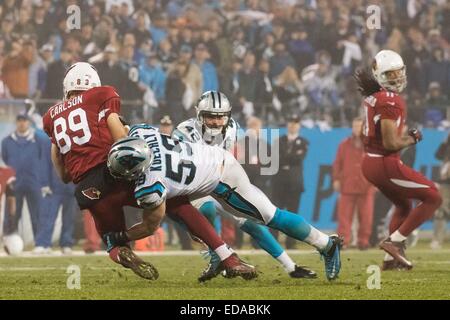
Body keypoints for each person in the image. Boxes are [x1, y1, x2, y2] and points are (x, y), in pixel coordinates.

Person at [42, 62, 254, 281]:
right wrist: (129, 156)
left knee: (111, 239)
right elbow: (117, 131)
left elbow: (62, 169)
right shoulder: (101, 94)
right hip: (115, 172)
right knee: (179, 203)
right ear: (94, 82)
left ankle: (122, 251)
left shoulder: (51, 116)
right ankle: (228, 258)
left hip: (88, 188)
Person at [108, 127, 343, 281]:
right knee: (208, 214)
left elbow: (150, 226)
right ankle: (219, 257)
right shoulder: (143, 132)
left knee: (271, 217)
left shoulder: (150, 184)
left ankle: (326, 244)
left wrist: (121, 236)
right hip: (207, 169)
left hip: (221, 179)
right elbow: (125, 127)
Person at [173, 91, 317, 279]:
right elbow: (179, 168)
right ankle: (219, 255)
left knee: (252, 222)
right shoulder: (183, 132)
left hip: (218, 182)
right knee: (206, 210)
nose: (216, 122)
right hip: (194, 186)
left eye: (220, 117)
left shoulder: (232, 128)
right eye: (210, 116)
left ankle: (291, 266)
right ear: (199, 114)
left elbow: (223, 162)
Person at [355, 50, 442, 270]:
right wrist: (412, 139)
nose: (396, 77)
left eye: (398, 72)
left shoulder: (373, 97)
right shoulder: (390, 100)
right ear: (380, 76)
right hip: (384, 163)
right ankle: (394, 242)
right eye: (390, 74)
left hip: (371, 162)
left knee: (404, 205)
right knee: (434, 197)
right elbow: (391, 143)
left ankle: (389, 261)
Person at [2, 114, 48, 238]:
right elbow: (5, 159)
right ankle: (9, 242)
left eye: (24, 121)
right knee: (12, 214)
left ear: (28, 123)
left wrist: (43, 182)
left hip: (34, 182)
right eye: (19, 121)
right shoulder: (7, 141)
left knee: (37, 214)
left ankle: (39, 243)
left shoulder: (38, 140)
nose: (22, 123)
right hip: (14, 184)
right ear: (16, 123)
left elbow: (42, 159)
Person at [333, 117, 374, 250]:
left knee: (366, 216)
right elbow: (337, 163)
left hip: (366, 185)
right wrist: (336, 179)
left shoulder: (371, 145)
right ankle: (343, 241)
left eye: (359, 126)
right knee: (344, 216)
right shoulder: (344, 144)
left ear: (364, 128)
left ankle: (363, 241)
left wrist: (375, 182)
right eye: (354, 126)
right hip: (347, 185)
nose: (356, 129)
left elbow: (377, 164)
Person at [273, 114, 309, 249]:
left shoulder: (303, 142)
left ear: (299, 125)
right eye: (290, 122)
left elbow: (298, 159)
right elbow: (276, 158)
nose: (293, 125)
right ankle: (274, 240)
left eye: (295, 122)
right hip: (279, 182)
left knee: (293, 213)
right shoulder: (279, 140)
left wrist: (285, 157)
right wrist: (291, 157)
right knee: (275, 213)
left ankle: (291, 242)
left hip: (294, 183)